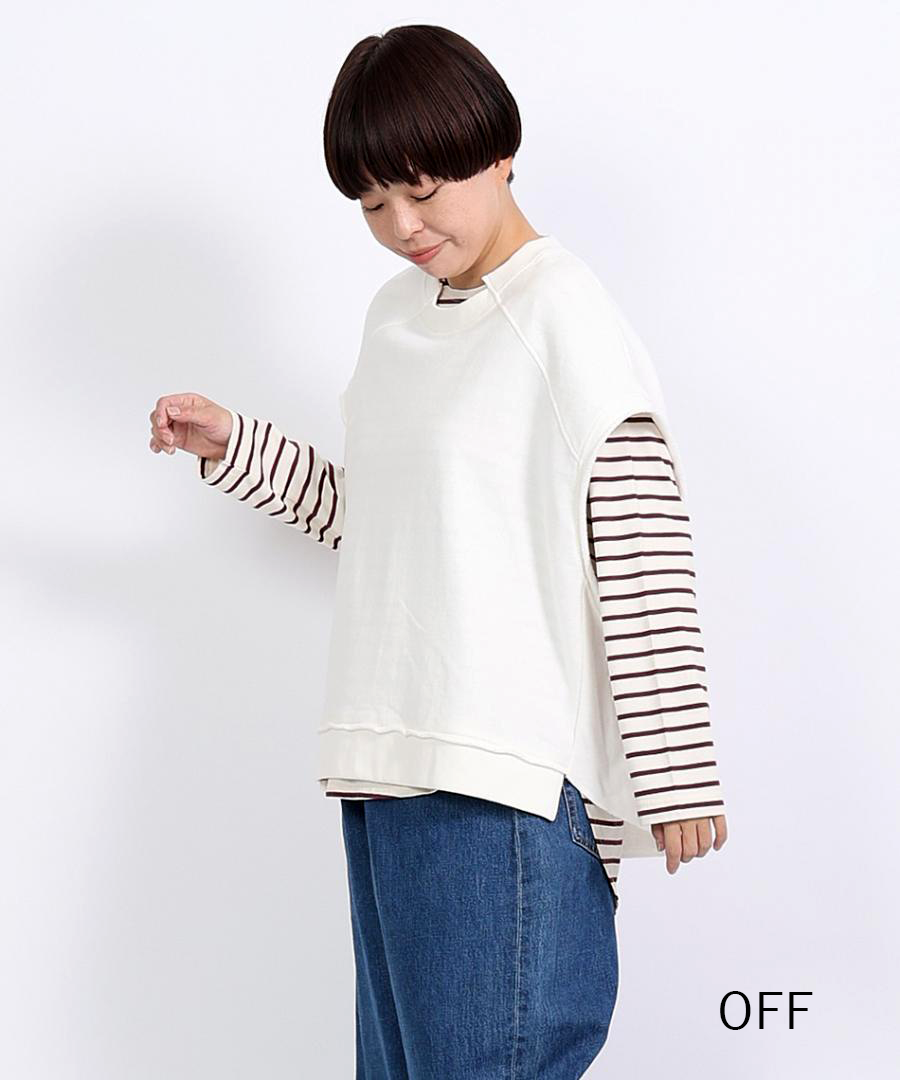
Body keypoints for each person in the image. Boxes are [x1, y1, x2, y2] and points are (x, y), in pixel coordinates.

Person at [148, 24, 728, 1079]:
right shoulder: (397, 318)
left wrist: (676, 768)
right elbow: (385, 521)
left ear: (500, 152)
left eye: (421, 190)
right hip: (386, 763)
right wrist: (236, 447)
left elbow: (640, 536)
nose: (402, 227)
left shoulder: (561, 315)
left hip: (499, 777)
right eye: (373, 205)